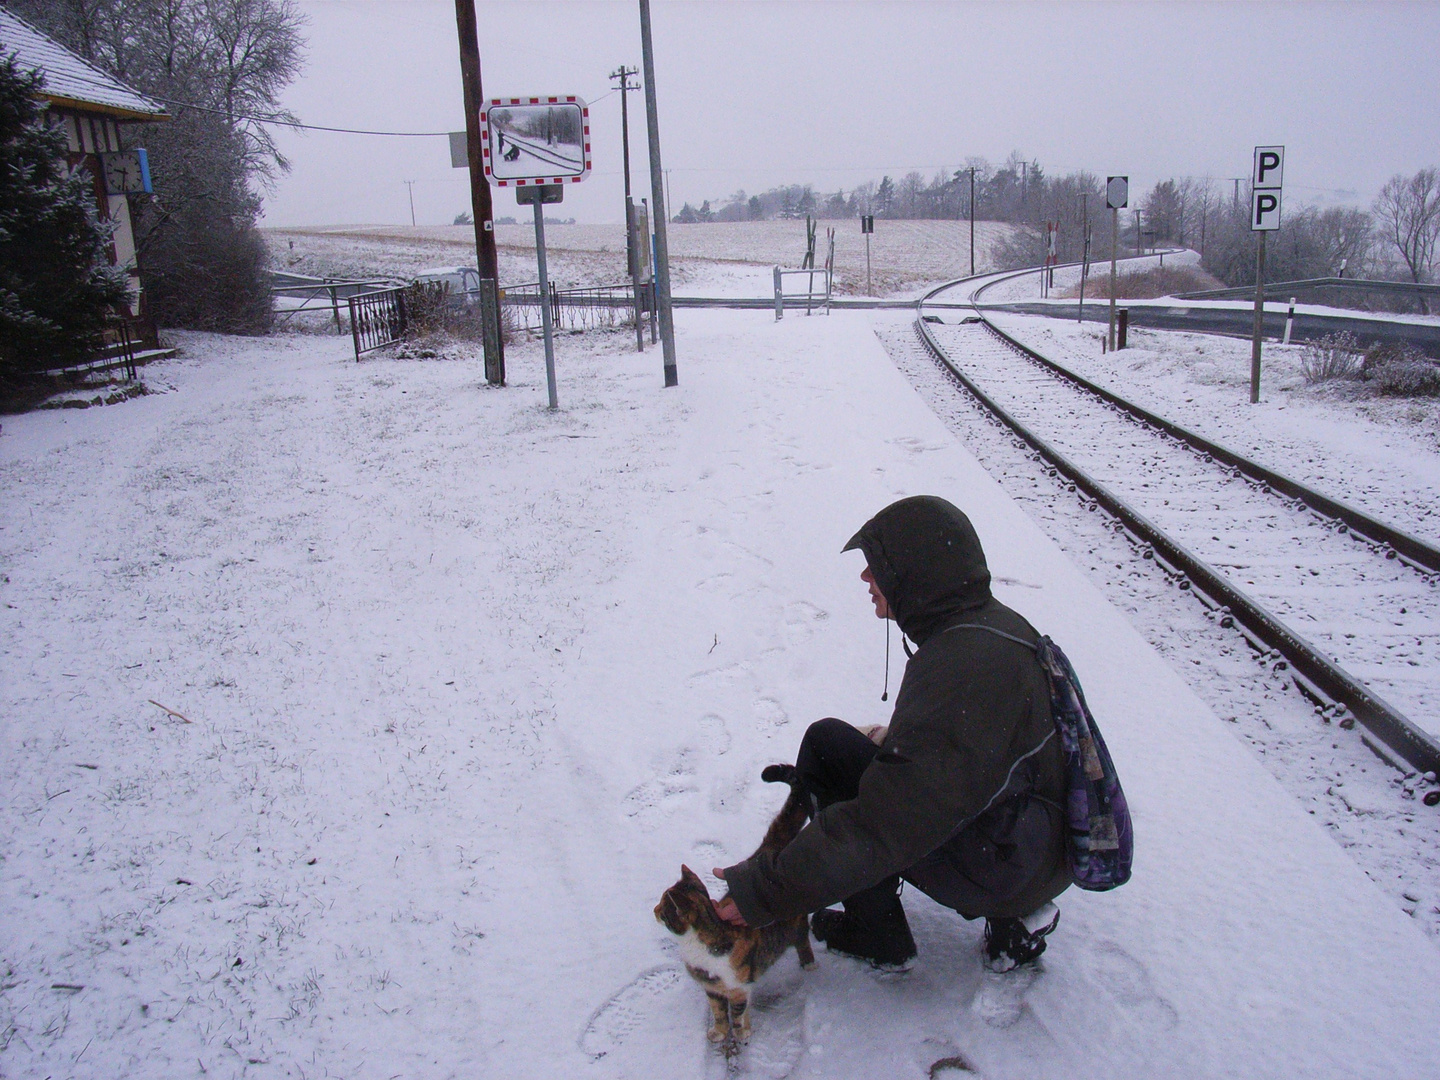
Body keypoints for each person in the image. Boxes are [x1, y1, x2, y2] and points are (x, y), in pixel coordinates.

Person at [714, 495, 1070, 971]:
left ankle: (879, 936)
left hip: (1012, 867)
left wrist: (766, 890)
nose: (865, 578)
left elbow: (882, 825)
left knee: (830, 752)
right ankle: (1012, 923)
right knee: (865, 757)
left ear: (912, 574)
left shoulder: (961, 666)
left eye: (875, 566)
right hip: (1043, 844)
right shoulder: (993, 629)